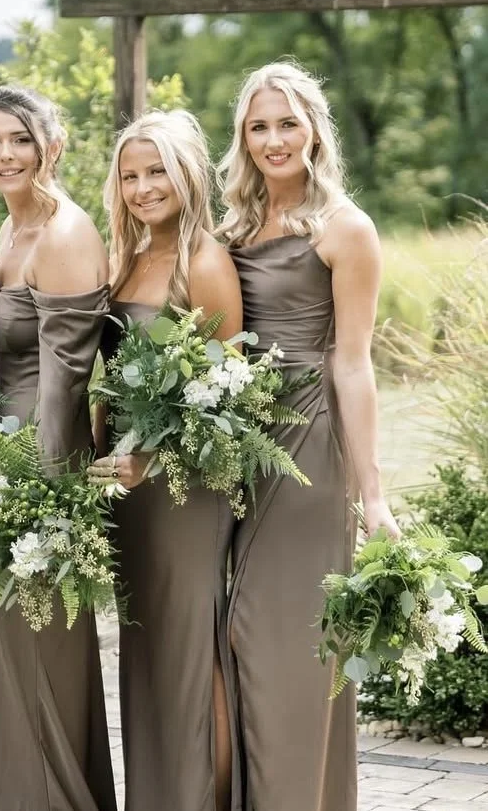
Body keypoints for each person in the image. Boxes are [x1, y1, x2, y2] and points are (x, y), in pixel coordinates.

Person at [217, 60, 400, 811]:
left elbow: (352, 365)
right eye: (258, 127)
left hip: (308, 452)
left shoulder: (346, 229)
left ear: (314, 130)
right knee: (237, 641)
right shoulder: (230, 226)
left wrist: (374, 493)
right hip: (235, 448)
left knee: (289, 645)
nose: (272, 140)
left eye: (287, 123)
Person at [0, 85, 116, 811]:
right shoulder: (6, 231)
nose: (4, 155)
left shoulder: (63, 234)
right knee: (0, 666)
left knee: (36, 666)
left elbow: (65, 389)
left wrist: (45, 513)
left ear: (53, 145)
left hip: (37, 483)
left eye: (19, 139)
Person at [89, 108, 242, 811]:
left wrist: (151, 460)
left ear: (187, 174)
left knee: (190, 656)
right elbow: (112, 373)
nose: (143, 187)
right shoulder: (127, 256)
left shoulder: (203, 261)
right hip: (124, 487)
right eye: (130, 175)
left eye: (156, 172)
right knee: (144, 656)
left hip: (182, 489)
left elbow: (228, 394)